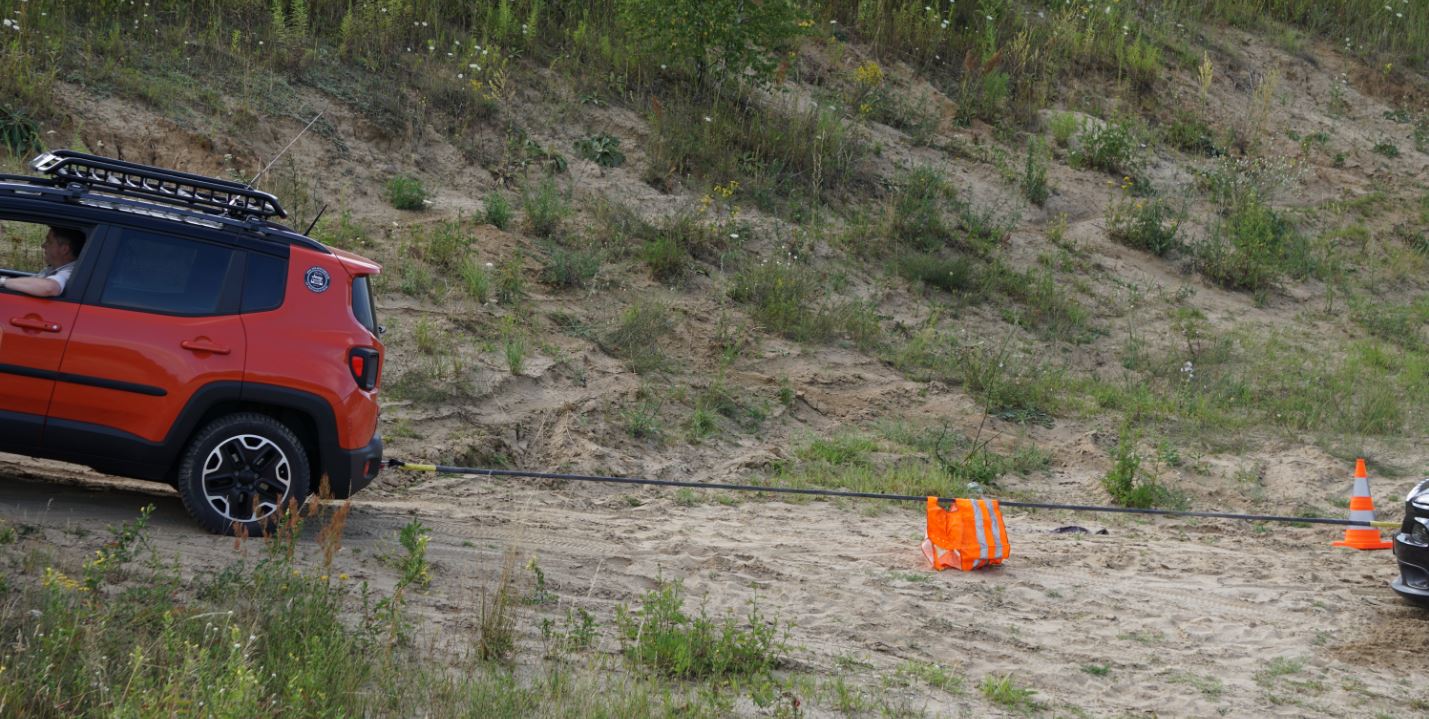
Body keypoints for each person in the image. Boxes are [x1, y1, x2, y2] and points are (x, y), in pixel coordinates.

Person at [0, 226, 86, 298]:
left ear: (64, 249)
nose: (43, 245)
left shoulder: (70, 272)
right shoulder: (53, 268)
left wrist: (3, 281)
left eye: (49, 241)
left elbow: (49, 287)